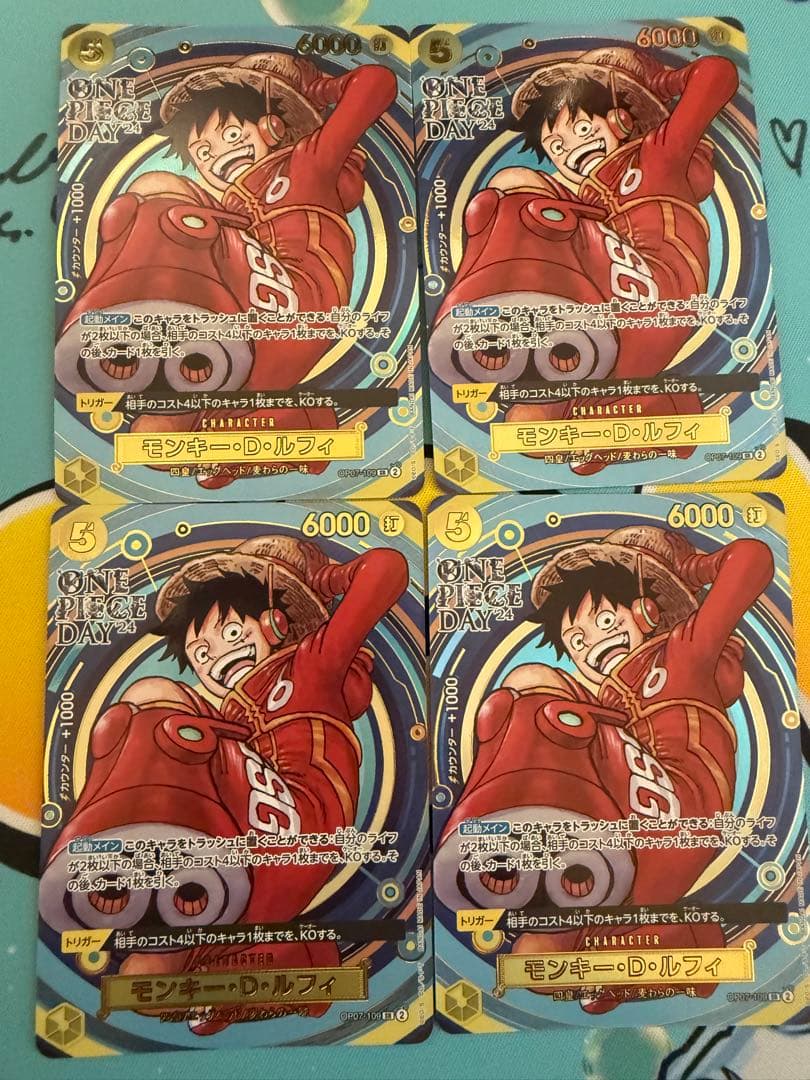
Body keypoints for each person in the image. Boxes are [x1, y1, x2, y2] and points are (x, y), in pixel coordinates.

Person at [39, 535, 409, 1033]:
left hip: (297, 826)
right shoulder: (228, 717)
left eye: (232, 632)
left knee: (153, 696)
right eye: (201, 651)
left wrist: (320, 580)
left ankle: (106, 854)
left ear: (276, 623)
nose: (217, 656)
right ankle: (296, 957)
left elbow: (386, 569)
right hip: (249, 874)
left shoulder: (312, 664)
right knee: (144, 977)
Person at [434, 526, 773, 1012]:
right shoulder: (606, 703)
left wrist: (687, 568)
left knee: (533, 682)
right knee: (533, 960)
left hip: (675, 811)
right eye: (576, 638)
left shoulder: (684, 649)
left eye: (606, 620)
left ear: (648, 611)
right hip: (632, 857)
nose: (592, 642)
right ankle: (683, 941)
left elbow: (753, 559)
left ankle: (498, 839)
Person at [56, 52, 397, 486]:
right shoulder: (230, 207)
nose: (218, 154)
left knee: (157, 188)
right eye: (203, 151)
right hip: (251, 347)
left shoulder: (307, 161)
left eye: (232, 133)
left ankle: (118, 323)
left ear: (273, 127)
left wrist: (315, 87)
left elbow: (378, 82)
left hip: (296, 304)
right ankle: (302, 423)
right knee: (152, 437)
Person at [430, 46, 739, 474]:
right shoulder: (586, 201)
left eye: (579, 127)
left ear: (621, 119)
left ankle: (486, 317)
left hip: (655, 292)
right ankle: (665, 409)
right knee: (525, 426)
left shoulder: (657, 154)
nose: (569, 147)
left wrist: (656, 82)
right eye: (555, 144)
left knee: (515, 185)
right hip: (615, 336)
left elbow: (717, 73)